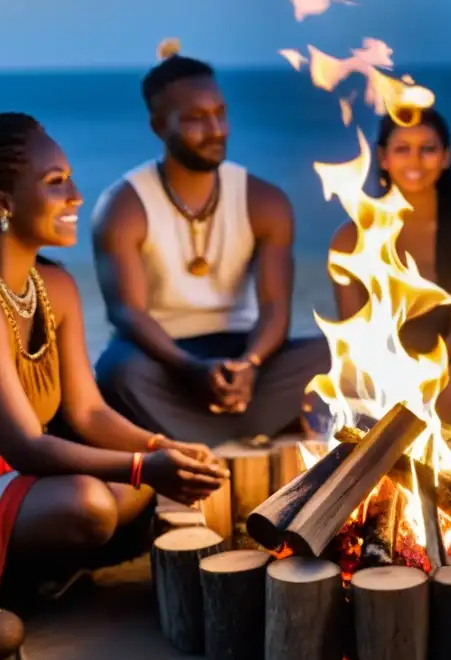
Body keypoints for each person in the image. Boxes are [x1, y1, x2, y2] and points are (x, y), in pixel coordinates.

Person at [0, 113, 228, 611]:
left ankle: (40, 568)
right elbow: (27, 447)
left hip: (8, 488)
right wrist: (147, 466)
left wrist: (165, 448)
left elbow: (88, 414)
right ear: (1, 204)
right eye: (55, 182)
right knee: (92, 504)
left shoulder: (54, 286)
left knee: (134, 493)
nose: (77, 195)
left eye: (71, 177)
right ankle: (15, 575)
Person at [92, 49, 329, 446]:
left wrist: (250, 364)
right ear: (157, 126)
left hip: (245, 352)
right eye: (195, 120)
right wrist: (191, 370)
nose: (216, 128)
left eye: (220, 113)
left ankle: (201, 429)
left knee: (336, 352)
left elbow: (275, 308)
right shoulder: (124, 206)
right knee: (119, 374)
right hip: (164, 357)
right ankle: (254, 424)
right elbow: (127, 312)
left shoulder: (264, 200)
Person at [330, 108, 451, 429]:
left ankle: (394, 442)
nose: (415, 161)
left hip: (442, 369)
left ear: (445, 157)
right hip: (373, 370)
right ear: (383, 157)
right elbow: (352, 330)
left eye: (428, 149)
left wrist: (423, 370)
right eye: (402, 149)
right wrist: (386, 372)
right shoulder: (350, 237)